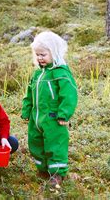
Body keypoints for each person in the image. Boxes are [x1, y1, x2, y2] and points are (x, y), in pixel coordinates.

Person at [21, 31, 78, 187]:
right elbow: (30, 91)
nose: (40, 58)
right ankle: (43, 169)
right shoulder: (38, 73)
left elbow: (69, 94)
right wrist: (27, 109)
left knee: (55, 144)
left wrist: (64, 114)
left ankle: (56, 174)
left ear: (54, 52)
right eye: (37, 55)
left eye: (43, 54)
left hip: (53, 118)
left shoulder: (60, 73)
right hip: (37, 118)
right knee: (36, 142)